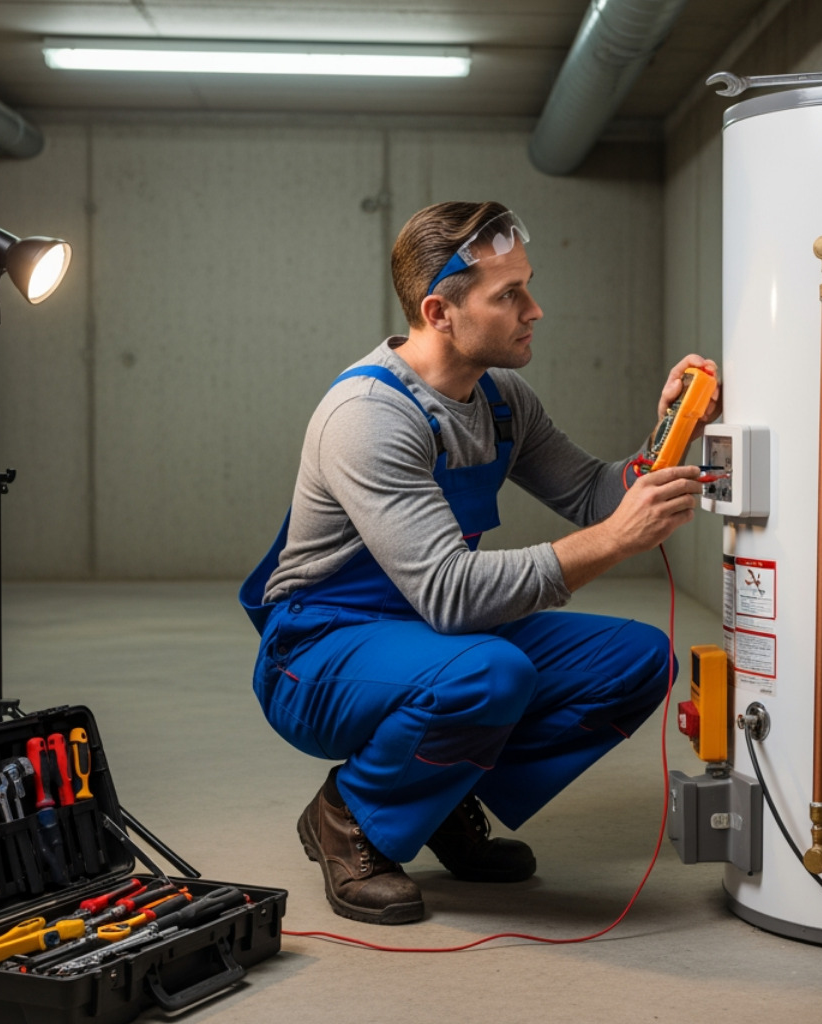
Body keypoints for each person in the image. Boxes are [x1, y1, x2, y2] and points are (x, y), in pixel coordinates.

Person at [239, 201, 719, 925]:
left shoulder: (499, 401)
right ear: (440, 311)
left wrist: (670, 430)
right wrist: (617, 541)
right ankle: (350, 816)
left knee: (636, 659)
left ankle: (435, 800)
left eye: (527, 287)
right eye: (509, 295)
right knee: (490, 673)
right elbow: (454, 599)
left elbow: (593, 493)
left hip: (428, 637)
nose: (536, 310)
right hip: (320, 651)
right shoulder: (370, 416)